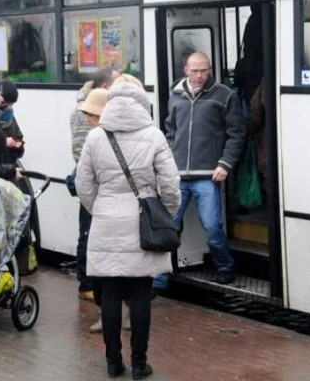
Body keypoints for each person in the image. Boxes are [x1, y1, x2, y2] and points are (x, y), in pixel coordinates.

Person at [76, 82, 181, 380]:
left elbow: (84, 185)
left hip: (106, 219)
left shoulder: (96, 137)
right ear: (141, 103)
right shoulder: (153, 135)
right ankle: (139, 364)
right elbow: (171, 185)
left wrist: (102, 208)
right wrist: (163, 215)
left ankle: (112, 363)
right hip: (141, 222)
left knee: (110, 292)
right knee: (140, 293)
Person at [160, 51, 245, 287]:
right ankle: (159, 275)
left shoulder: (225, 96)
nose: (199, 75)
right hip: (177, 176)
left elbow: (237, 134)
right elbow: (170, 133)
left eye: (204, 70)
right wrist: (167, 164)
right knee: (169, 227)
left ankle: (225, 267)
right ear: (185, 70)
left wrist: (225, 164)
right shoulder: (175, 95)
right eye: (195, 71)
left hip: (207, 176)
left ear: (210, 70)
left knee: (213, 228)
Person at [70, 67, 120, 301]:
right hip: (93, 180)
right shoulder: (84, 112)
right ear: (105, 88)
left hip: (99, 181)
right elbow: (82, 152)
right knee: (88, 232)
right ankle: (87, 283)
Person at [0, 79, 24, 164]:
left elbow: (19, 137)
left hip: (9, 168)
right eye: (7, 104)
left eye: (12, 104)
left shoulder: (11, 118)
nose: (10, 108)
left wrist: (19, 146)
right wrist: (4, 142)